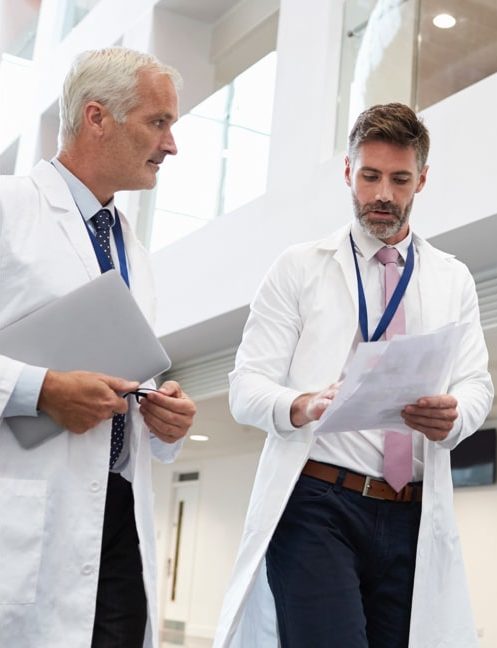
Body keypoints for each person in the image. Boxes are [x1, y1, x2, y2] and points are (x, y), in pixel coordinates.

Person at [214, 103, 494, 648]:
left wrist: (455, 416)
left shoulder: (451, 278)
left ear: (422, 180)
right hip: (319, 504)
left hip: (410, 511)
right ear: (348, 172)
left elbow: (476, 382)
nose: (383, 194)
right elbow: (246, 387)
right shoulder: (299, 267)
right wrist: (303, 404)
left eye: (399, 178)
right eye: (369, 176)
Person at [0, 47, 196, 648]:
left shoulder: (132, 249)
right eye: (158, 122)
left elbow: (123, 372)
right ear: (96, 117)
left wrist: (167, 420)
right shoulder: (10, 209)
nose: (171, 144)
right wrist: (43, 389)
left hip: (118, 518)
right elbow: (54, 386)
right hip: (27, 512)